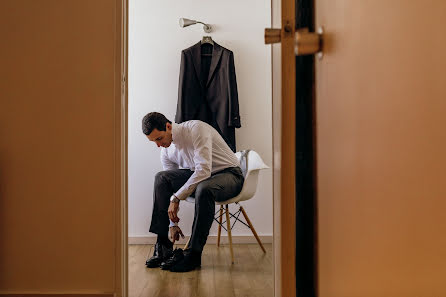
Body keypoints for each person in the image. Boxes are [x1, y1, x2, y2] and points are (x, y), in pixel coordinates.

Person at [142, 112, 244, 272]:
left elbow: (203, 171)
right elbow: (170, 191)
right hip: (204, 177)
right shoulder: (166, 150)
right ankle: (163, 246)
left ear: (168, 127)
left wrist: (175, 199)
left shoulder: (196, 129)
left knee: (204, 188)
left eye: (159, 138)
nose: (158, 145)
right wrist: (173, 224)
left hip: (230, 174)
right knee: (162, 178)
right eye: (153, 141)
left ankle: (193, 255)